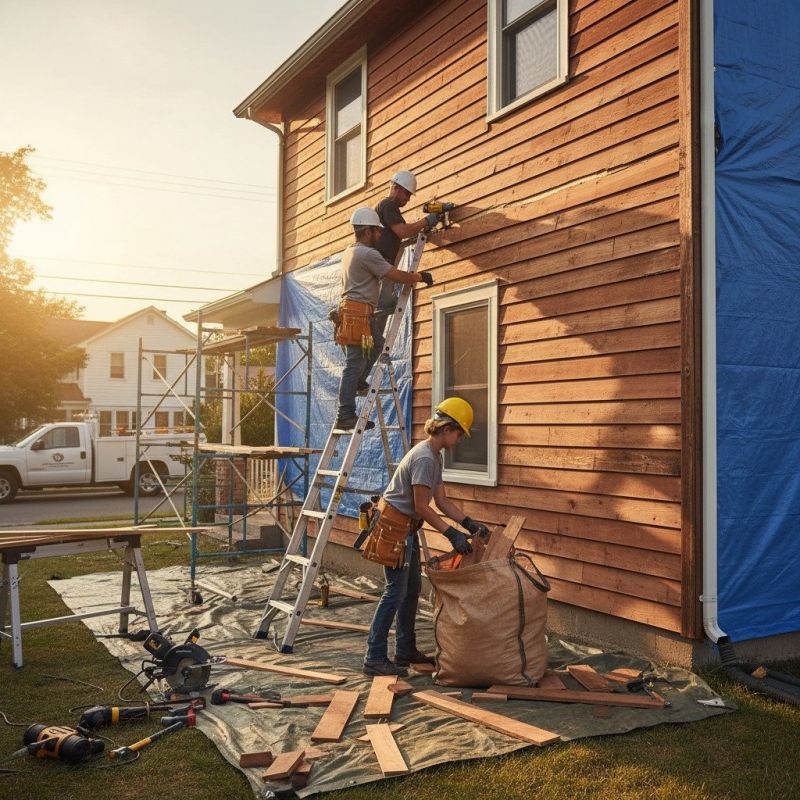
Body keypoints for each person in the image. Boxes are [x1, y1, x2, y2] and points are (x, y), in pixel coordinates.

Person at [363, 397, 490, 676]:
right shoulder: (423, 458)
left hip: (406, 528)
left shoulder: (434, 455)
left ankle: (405, 650)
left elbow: (441, 501)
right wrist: (451, 535)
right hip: (395, 528)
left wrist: (468, 523)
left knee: (411, 591)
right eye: (459, 433)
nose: (459, 439)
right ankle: (374, 656)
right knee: (394, 592)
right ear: (446, 429)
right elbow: (422, 506)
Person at [334, 207, 433, 431]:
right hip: (357, 314)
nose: (380, 235)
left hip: (359, 313)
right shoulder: (367, 254)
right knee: (352, 364)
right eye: (377, 231)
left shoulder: (351, 251)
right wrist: (418, 276)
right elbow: (394, 275)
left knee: (377, 344)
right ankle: (345, 413)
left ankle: (359, 381)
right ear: (367, 231)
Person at [373, 170, 442, 324]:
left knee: (382, 310)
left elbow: (401, 236)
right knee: (382, 308)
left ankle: (376, 343)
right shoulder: (388, 205)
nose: (408, 199)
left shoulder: (387, 209)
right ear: (395, 188)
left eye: (410, 195)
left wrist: (420, 232)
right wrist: (427, 221)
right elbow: (403, 232)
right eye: (406, 193)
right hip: (381, 266)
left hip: (382, 265)